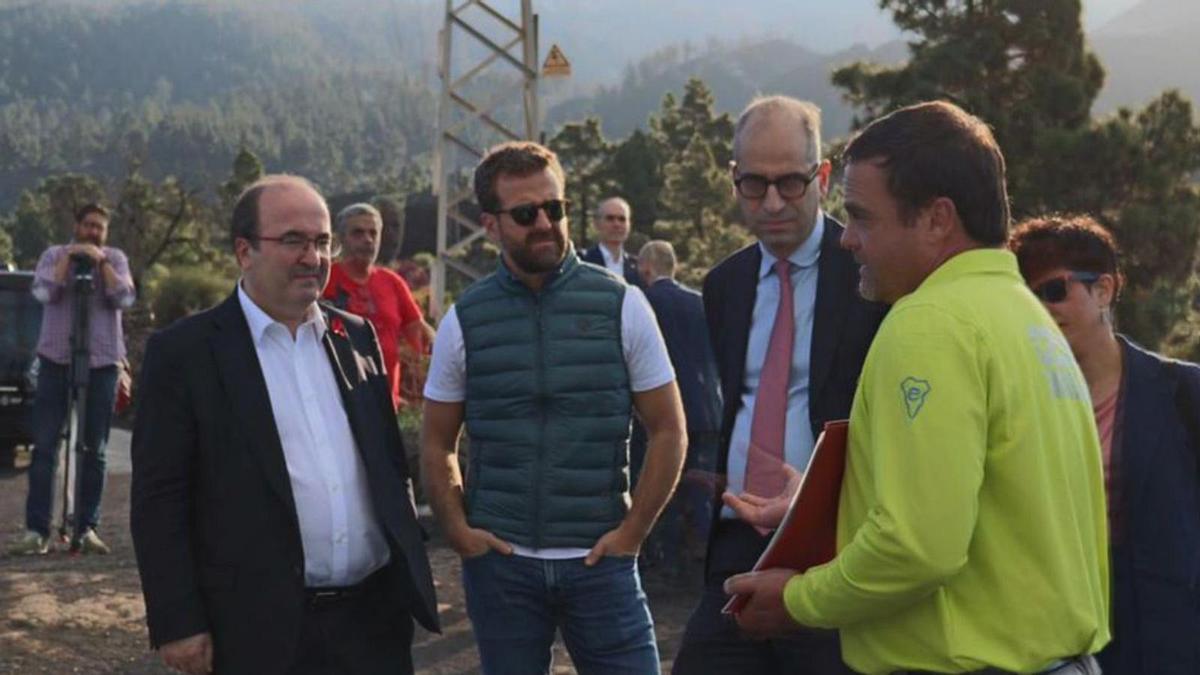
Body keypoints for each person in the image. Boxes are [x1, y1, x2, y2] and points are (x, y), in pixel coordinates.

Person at [725, 101, 1110, 675]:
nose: (847, 239)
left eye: (861, 217)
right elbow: (983, 503)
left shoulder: (928, 323)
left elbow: (917, 546)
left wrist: (797, 600)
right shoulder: (1024, 317)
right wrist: (828, 509)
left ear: (936, 219)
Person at [130, 175, 438, 675]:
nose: (312, 257)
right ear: (244, 251)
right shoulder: (186, 354)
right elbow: (158, 499)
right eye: (292, 240)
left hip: (373, 621)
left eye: (321, 242)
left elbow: (384, 463)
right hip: (258, 629)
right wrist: (177, 619)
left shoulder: (354, 337)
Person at [421, 141, 686, 674]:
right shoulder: (465, 319)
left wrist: (633, 533)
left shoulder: (623, 304)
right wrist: (459, 534)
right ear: (491, 225)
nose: (544, 222)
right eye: (525, 213)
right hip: (502, 569)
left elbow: (669, 429)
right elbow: (436, 440)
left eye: (555, 208)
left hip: (601, 562)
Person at [673, 96, 884, 675]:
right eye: (753, 185)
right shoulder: (724, 284)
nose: (771, 204)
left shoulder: (871, 274)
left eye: (790, 183)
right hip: (737, 535)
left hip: (832, 543)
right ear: (733, 179)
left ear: (821, 176)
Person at [1010, 215, 1200, 675]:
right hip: (1062, 636)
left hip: (1171, 634)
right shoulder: (1015, 403)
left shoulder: (1183, 393)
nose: (1043, 307)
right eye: (1028, 296)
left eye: (1055, 290)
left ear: (1105, 290)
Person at [9, 203, 135, 556]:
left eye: (100, 227)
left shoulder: (115, 259)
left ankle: (87, 528)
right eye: (88, 225)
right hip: (55, 360)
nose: (94, 232)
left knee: (94, 449)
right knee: (45, 448)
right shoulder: (53, 255)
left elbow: (124, 297)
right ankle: (37, 531)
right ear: (76, 226)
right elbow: (44, 293)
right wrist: (70, 257)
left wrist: (102, 263)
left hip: (103, 362)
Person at [637, 240, 723, 576]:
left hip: (667, 412)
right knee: (705, 486)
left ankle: (668, 559)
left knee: (667, 484)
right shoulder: (699, 302)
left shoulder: (645, 303)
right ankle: (709, 555)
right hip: (709, 406)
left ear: (646, 268)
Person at [323, 202, 435, 409]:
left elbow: (422, 338)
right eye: (358, 233)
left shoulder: (392, 282)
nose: (368, 240)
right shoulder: (323, 280)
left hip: (384, 410)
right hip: (334, 407)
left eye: (373, 233)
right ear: (340, 239)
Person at [580, 196, 643, 287]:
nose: (616, 224)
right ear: (597, 224)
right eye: (610, 218)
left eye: (622, 219)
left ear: (629, 225)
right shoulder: (584, 263)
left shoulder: (638, 268)